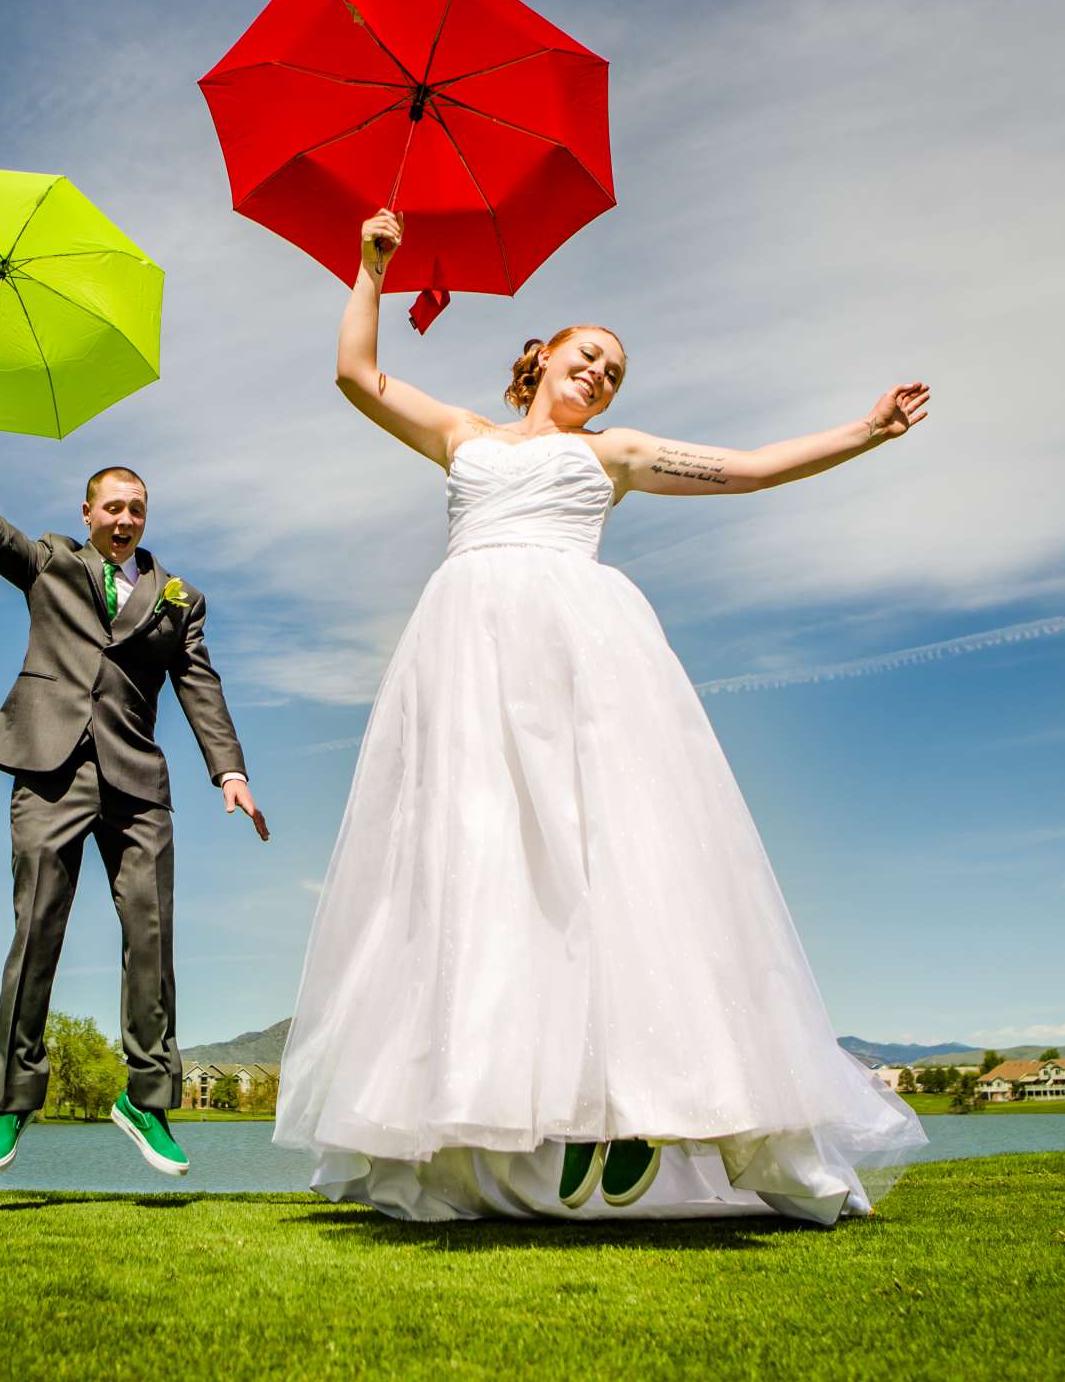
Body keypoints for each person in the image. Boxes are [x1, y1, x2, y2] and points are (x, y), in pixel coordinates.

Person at [271, 209, 930, 1222]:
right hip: (464, 661)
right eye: (589, 356)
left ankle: (634, 1105)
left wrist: (865, 430)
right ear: (538, 360)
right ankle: (511, 1118)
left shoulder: (613, 453)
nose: (602, 375)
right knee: (484, 867)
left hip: (583, 659)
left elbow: (747, 467)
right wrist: (368, 266)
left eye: (615, 370)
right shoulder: (463, 436)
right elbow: (357, 373)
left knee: (607, 859)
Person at [0, 364, 270, 1180]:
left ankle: (147, 1102)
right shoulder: (50, 562)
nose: (124, 519)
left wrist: (228, 771)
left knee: (150, 935)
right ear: (86, 514)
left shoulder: (178, 599)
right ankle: (11, 1101)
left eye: (137, 510)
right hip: (47, 767)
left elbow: (201, 685)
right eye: (112, 507)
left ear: (145, 520)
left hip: (136, 780)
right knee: (36, 929)